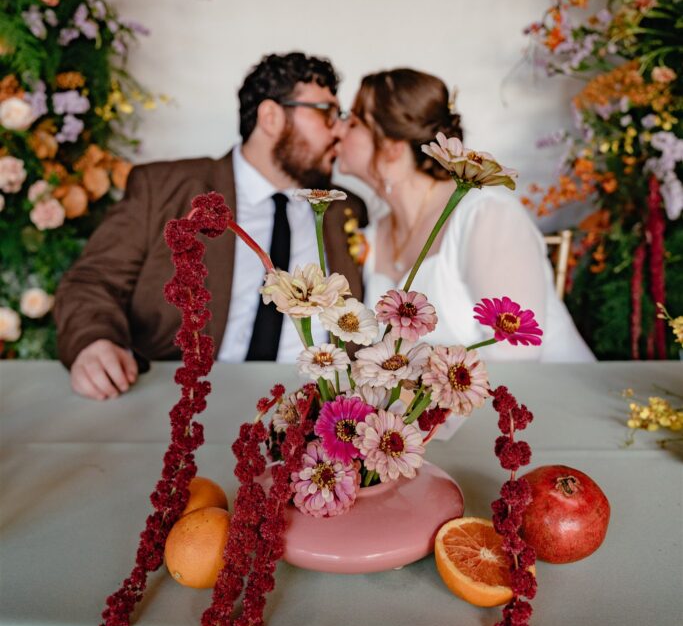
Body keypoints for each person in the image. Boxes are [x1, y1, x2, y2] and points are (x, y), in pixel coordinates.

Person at [55, 52, 367, 400]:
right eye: (326, 113)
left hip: (315, 406)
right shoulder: (163, 188)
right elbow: (92, 281)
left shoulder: (345, 209)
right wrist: (94, 342)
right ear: (271, 117)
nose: (340, 130)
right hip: (183, 400)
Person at [334, 67, 594, 361]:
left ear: (393, 147)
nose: (338, 130)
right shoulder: (373, 233)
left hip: (544, 386)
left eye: (353, 122)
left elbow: (517, 352)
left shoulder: (486, 216)